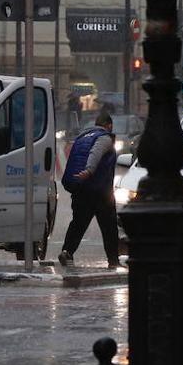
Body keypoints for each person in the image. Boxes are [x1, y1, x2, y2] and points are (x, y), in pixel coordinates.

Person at [58, 110, 120, 268]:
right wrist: (89, 171)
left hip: (80, 190)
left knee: (78, 223)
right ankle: (113, 261)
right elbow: (96, 153)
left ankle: (67, 251)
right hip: (100, 191)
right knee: (109, 226)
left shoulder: (82, 137)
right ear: (109, 125)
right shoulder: (104, 138)